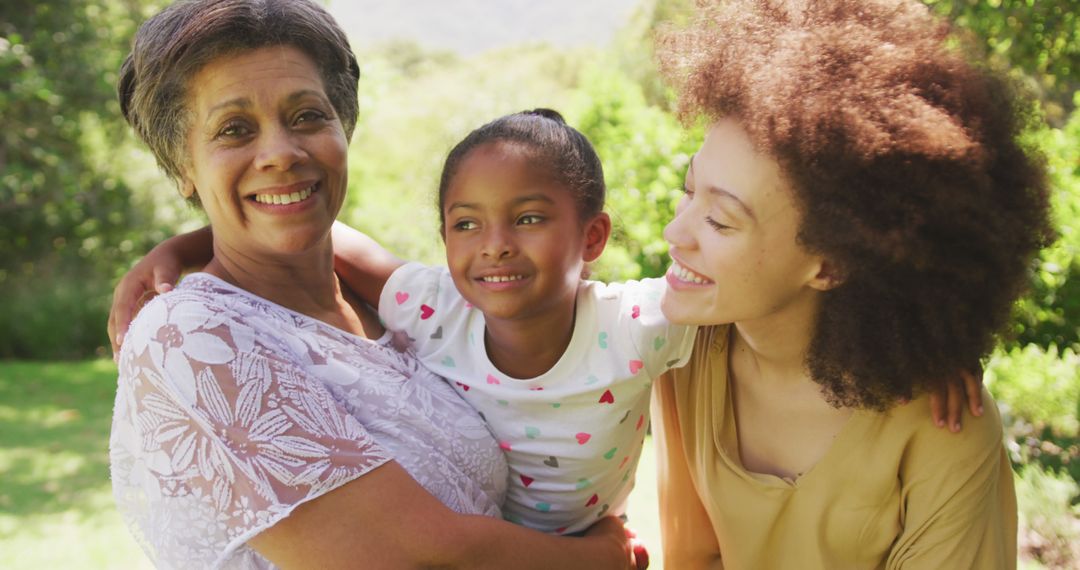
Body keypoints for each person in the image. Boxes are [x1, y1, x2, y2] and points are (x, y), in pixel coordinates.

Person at [108, 1, 640, 568]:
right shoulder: (191, 339)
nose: (282, 153)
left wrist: (182, 245)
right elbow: (413, 558)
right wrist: (602, 557)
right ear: (183, 166)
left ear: (344, 128)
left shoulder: (391, 306)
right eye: (234, 129)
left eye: (308, 116)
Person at [648, 0, 1053, 568]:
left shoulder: (943, 423)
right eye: (690, 190)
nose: (674, 232)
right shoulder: (683, 354)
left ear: (831, 265)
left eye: (720, 220)